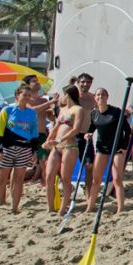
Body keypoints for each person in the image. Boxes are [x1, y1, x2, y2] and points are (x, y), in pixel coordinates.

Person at [0, 84, 38, 215]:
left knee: (18, 180)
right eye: (24, 95)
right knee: (1, 181)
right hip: (7, 148)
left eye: (29, 95)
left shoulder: (32, 113)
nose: (27, 98)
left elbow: (34, 133)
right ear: (18, 95)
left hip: (24, 148)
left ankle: (14, 208)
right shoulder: (7, 110)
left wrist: (35, 151)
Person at [85, 87, 133, 213]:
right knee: (96, 180)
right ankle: (90, 207)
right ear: (95, 98)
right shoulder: (94, 113)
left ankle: (120, 208)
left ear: (107, 97)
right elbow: (91, 128)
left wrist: (124, 147)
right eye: (98, 95)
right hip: (102, 148)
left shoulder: (116, 112)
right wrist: (88, 134)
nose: (100, 97)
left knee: (117, 179)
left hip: (117, 148)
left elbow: (127, 130)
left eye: (103, 95)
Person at [44, 86, 86, 215]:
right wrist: (48, 140)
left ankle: (62, 209)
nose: (61, 98)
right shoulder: (62, 110)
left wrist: (59, 139)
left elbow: (76, 129)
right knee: (49, 176)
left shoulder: (78, 110)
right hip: (57, 146)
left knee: (65, 179)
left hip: (69, 146)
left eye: (63, 95)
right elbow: (55, 127)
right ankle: (50, 207)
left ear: (67, 95)